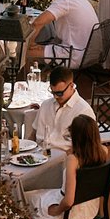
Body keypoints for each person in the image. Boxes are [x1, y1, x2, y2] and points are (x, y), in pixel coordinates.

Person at [16, 65, 98, 199]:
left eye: (59, 93)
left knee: (19, 186)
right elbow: (33, 134)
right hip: (38, 159)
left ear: (72, 86)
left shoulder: (83, 111)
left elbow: (85, 149)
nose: (56, 96)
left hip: (62, 165)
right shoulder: (46, 105)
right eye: (53, 92)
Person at [28, 0, 97, 63]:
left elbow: (38, 22)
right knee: (42, 46)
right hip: (88, 53)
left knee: (26, 52)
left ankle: (28, 77)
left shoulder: (65, 0)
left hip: (74, 54)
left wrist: (30, 43)